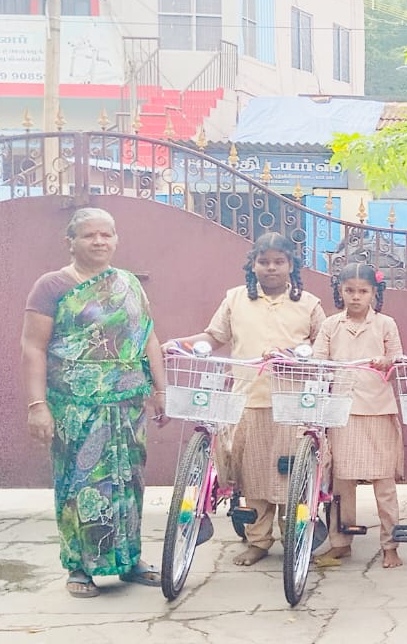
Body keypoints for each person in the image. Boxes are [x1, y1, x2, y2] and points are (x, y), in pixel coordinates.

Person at [20, 208, 169, 598]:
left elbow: (149, 338)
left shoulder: (129, 284)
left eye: (107, 234)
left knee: (128, 483)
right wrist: (37, 405)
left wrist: (161, 390)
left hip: (127, 405)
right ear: (70, 242)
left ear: (116, 239)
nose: (99, 241)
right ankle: (80, 566)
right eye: (89, 235)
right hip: (75, 406)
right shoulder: (51, 286)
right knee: (79, 484)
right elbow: (33, 347)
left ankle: (129, 559)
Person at [168, 233, 325, 567]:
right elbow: (213, 337)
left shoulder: (309, 304)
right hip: (249, 398)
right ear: (252, 265)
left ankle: (296, 538)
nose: (271, 268)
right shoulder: (235, 299)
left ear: (292, 265)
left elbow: (323, 345)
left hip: (293, 403)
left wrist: (297, 355)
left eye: (279, 262)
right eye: (263, 261)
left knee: (291, 474)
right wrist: (180, 344)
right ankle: (258, 541)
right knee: (253, 475)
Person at [314, 263, 403, 569]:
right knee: (342, 481)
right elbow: (319, 361)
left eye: (362, 291)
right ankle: (340, 542)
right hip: (342, 411)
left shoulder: (385, 324)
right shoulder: (330, 325)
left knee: (384, 481)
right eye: (349, 290)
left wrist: (387, 362)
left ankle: (390, 545)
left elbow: (397, 358)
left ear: (374, 293)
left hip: (378, 408)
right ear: (339, 291)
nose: (355, 297)